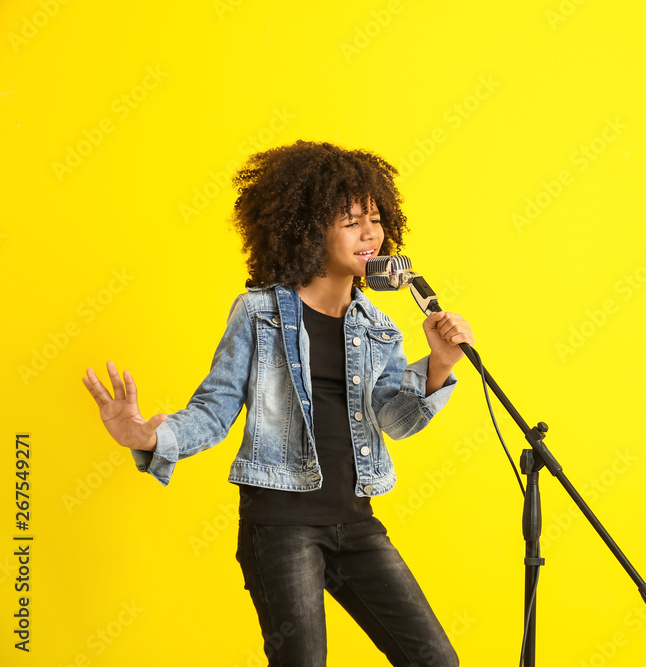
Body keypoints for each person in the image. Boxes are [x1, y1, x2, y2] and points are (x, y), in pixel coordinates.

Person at [81, 140, 472, 666]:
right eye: (351, 221)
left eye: (374, 218)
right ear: (310, 230)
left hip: (356, 524)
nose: (370, 233)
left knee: (437, 661)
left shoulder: (378, 327)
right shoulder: (258, 313)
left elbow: (394, 421)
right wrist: (150, 437)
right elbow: (213, 412)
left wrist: (440, 363)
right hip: (281, 527)